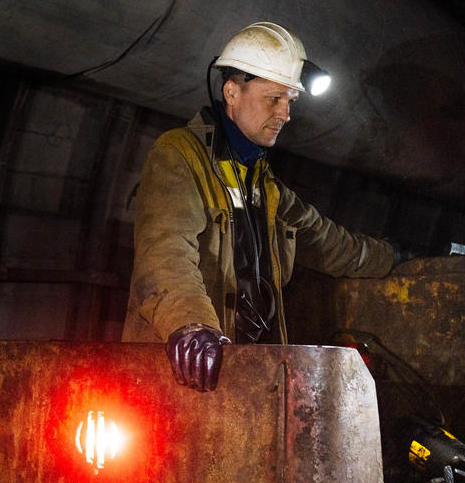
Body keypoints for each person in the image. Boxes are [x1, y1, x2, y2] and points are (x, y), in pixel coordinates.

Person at [122, 21, 396, 392]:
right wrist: (191, 326)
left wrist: (393, 258)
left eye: (290, 101)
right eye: (274, 99)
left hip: (248, 371)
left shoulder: (264, 185)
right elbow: (165, 252)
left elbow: (331, 243)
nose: (285, 114)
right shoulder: (178, 155)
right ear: (232, 91)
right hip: (187, 373)